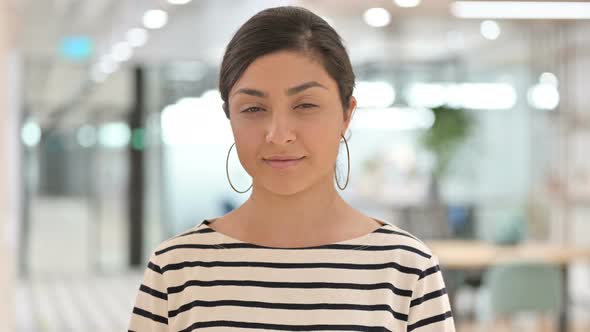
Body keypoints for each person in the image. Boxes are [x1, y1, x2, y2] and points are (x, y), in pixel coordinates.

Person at [128, 6, 455, 332]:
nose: (278, 134)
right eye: (254, 108)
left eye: (305, 105)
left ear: (346, 113)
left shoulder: (406, 267)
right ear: (230, 118)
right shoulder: (177, 267)